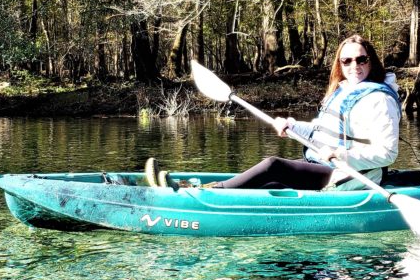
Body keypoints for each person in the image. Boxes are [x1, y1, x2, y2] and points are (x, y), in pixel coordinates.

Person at [146, 35, 400, 190]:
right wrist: (292, 126)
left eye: (361, 59)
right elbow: (321, 130)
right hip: (325, 165)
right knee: (269, 181)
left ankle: (201, 193)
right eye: (347, 61)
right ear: (339, 64)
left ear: (371, 61)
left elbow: (387, 153)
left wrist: (340, 154)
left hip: (350, 175)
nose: (354, 65)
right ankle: (202, 190)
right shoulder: (343, 90)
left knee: (273, 165)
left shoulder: (378, 99)